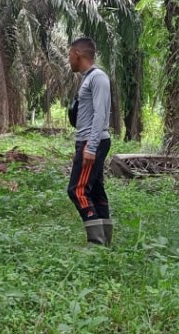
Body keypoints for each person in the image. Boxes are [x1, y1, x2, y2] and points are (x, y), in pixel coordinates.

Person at [66, 38, 113, 246]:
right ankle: (105, 241)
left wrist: (90, 147)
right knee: (95, 189)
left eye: (69, 55)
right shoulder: (88, 79)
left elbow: (101, 114)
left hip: (92, 141)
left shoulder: (98, 78)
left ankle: (96, 242)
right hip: (86, 140)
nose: (69, 60)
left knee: (77, 190)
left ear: (78, 53)